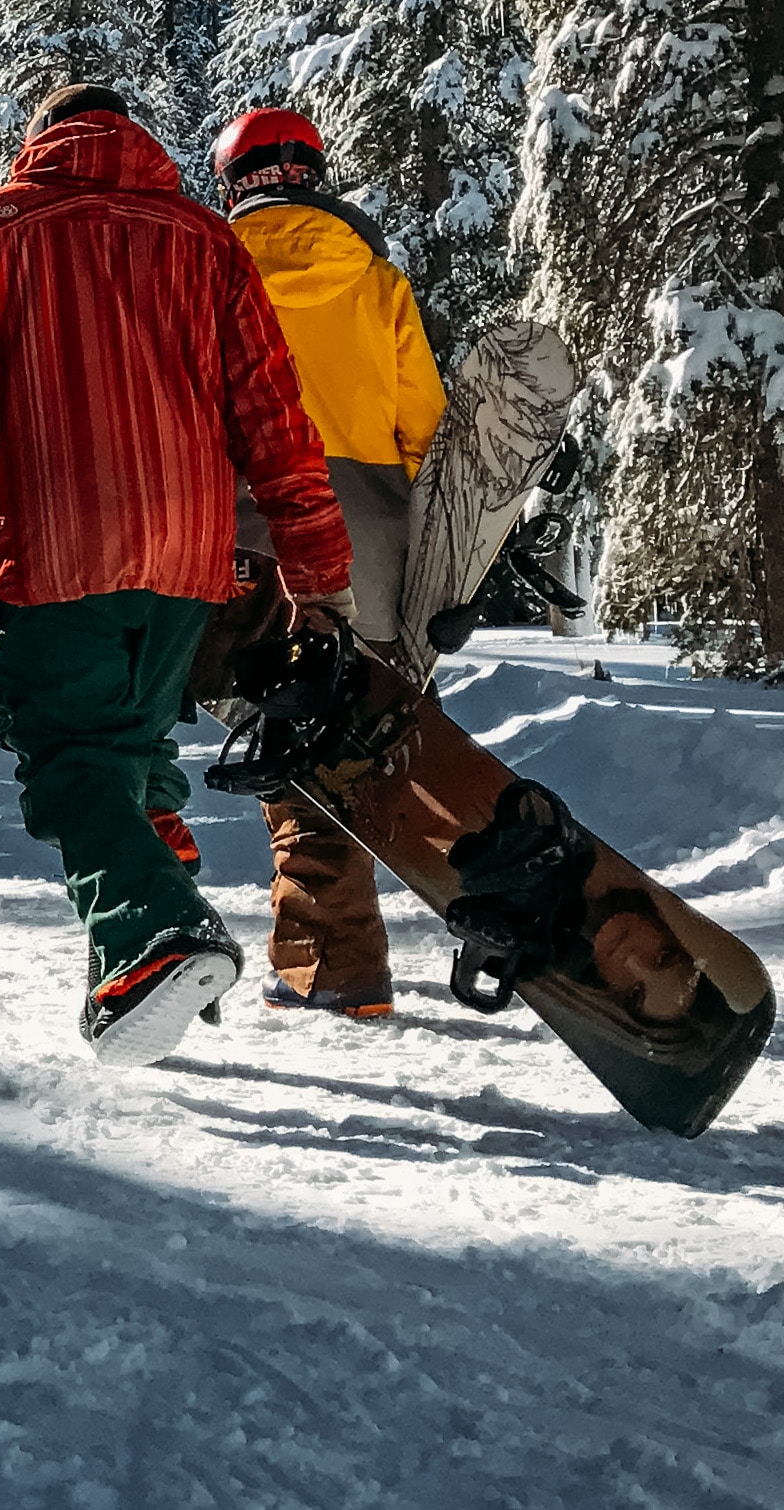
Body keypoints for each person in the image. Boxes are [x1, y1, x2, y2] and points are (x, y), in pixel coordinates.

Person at [0, 85, 356, 1064]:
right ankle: (142, 950)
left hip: (56, 545)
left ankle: (151, 938)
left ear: (40, 143)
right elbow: (272, 414)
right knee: (124, 751)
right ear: (132, 143)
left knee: (68, 762)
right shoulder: (205, 241)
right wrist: (315, 565)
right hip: (184, 557)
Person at [211, 106, 445, 1021]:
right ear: (314, 174)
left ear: (231, 183)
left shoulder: (210, 274)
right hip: (374, 541)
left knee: (291, 744)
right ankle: (355, 943)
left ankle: (335, 966)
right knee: (357, 735)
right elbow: (424, 429)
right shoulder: (377, 282)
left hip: (253, 530)